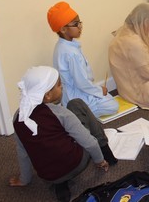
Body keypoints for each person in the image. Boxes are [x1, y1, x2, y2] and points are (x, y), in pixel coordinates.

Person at [9, 66, 116, 202]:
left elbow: (22, 152)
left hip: (48, 175)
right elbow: (89, 142)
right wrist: (99, 161)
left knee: (52, 146)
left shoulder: (18, 117)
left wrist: (24, 179)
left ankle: (60, 184)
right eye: (59, 85)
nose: (62, 87)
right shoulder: (61, 113)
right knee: (76, 104)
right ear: (47, 95)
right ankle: (106, 150)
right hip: (76, 164)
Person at [47, 1, 118, 117]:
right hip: (76, 95)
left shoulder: (64, 45)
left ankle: (75, 110)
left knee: (106, 96)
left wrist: (98, 90)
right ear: (63, 29)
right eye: (75, 24)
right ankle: (77, 114)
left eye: (79, 22)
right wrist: (99, 91)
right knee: (113, 106)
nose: (80, 26)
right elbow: (82, 83)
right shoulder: (70, 53)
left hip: (73, 93)